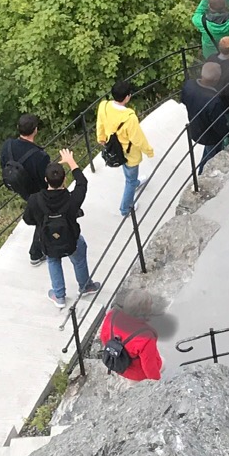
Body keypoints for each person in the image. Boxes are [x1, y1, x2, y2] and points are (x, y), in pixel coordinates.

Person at [25, 153, 101, 308]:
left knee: (53, 261)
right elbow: (82, 182)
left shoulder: (35, 199)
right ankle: (85, 286)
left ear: (45, 180)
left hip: (48, 240)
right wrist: (71, 162)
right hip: (71, 238)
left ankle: (59, 296)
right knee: (79, 257)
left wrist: (41, 222)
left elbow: (28, 220)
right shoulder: (73, 199)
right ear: (64, 180)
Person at [96, 78, 154, 219]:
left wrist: (101, 138)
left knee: (129, 175)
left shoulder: (103, 106)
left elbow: (100, 124)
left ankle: (135, 182)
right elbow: (138, 138)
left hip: (113, 148)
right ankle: (125, 208)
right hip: (129, 153)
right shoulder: (129, 117)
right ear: (127, 97)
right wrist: (149, 151)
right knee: (130, 179)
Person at [0, 114, 53, 266]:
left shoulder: (7, 146)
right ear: (35, 130)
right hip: (36, 192)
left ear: (18, 129)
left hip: (19, 187)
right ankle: (36, 253)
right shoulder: (40, 156)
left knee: (40, 214)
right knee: (43, 217)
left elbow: (3, 164)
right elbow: (45, 180)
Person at [182, 58, 229, 173]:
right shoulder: (214, 100)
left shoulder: (189, 85)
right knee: (212, 156)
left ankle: (201, 173)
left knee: (208, 152)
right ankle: (202, 176)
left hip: (195, 127)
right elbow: (219, 124)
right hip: (211, 135)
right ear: (216, 79)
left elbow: (184, 100)